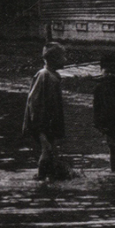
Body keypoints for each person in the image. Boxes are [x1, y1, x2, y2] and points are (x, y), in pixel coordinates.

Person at [23, 43, 68, 181]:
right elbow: (34, 103)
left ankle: (49, 178)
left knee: (51, 152)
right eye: (62, 57)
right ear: (54, 59)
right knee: (47, 150)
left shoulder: (53, 76)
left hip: (50, 125)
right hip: (42, 125)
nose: (65, 60)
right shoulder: (44, 76)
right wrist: (39, 130)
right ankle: (40, 179)